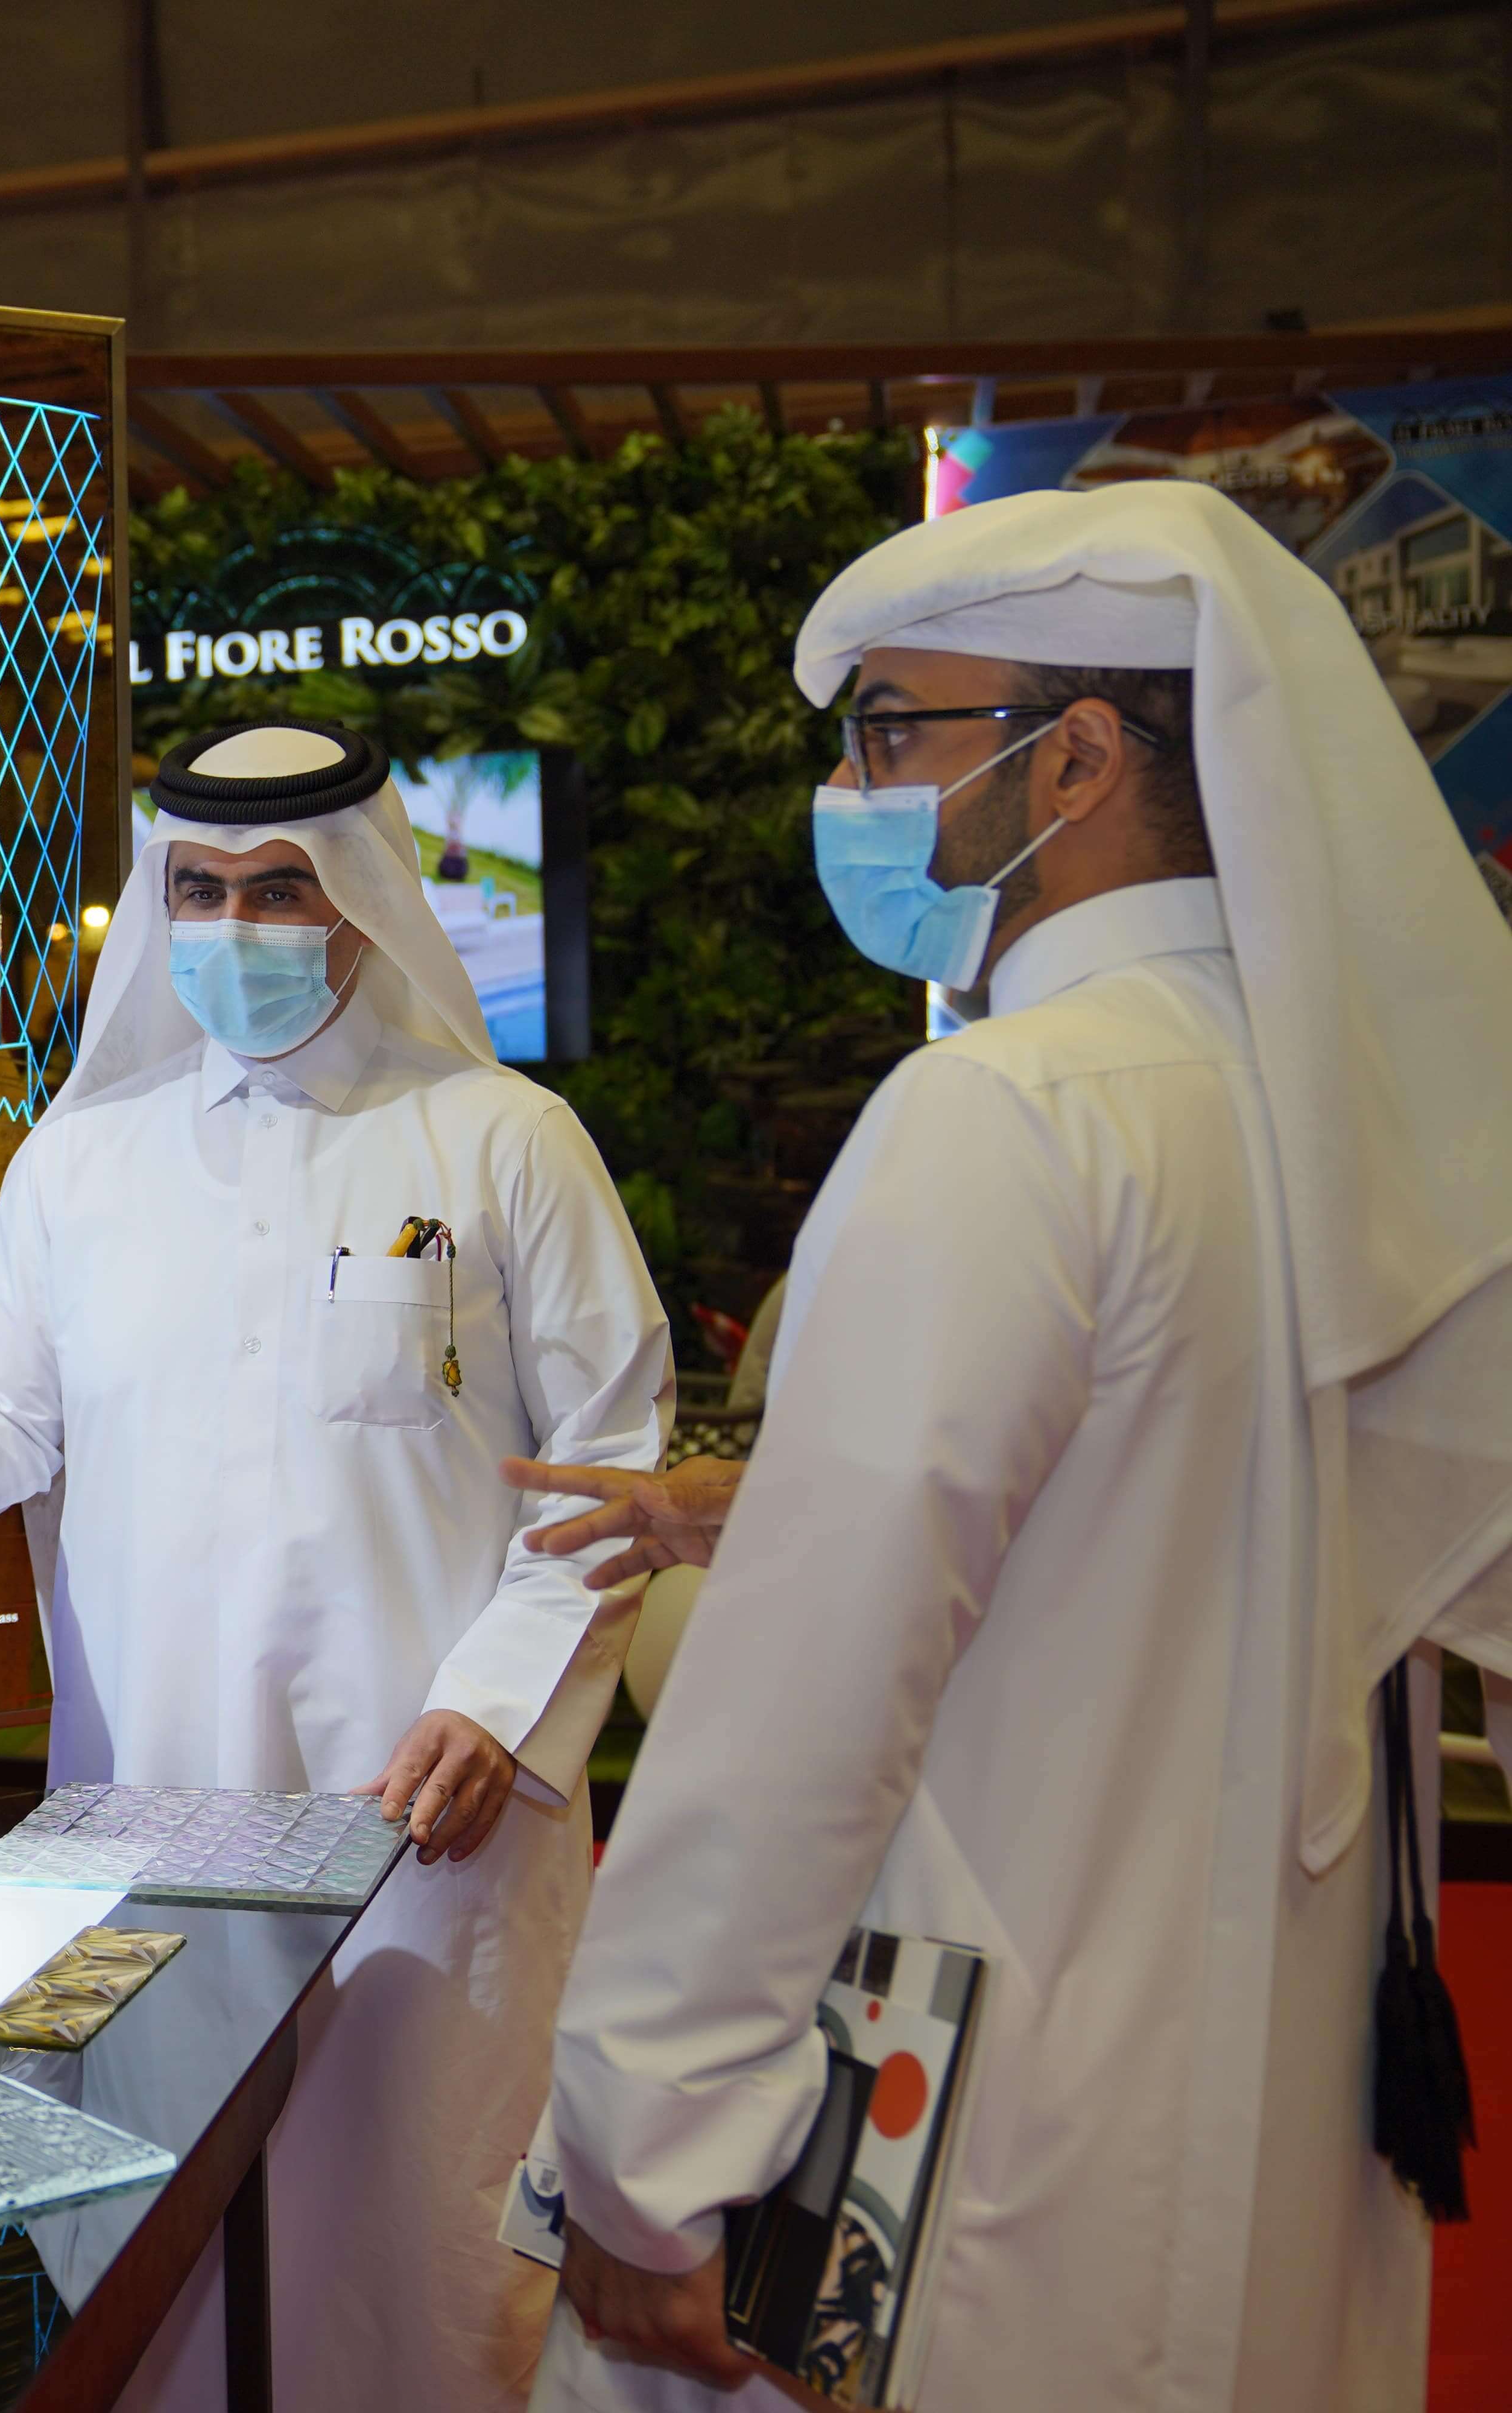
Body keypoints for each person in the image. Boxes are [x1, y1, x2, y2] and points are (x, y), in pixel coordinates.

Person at [522, 479, 1512, 2411]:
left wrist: (646, 2145)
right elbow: (1237, 1503)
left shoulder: (1014, 1108)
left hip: (987, 2119)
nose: (853, 790)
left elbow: (805, 1699)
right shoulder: (1336, 1105)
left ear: (1075, 760)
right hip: (1268, 2090)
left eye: (895, 731)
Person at [0, 720, 673, 2412]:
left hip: (423, 1821)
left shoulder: (503, 1141)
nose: (234, 925)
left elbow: (612, 1471)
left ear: (360, 900)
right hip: (154, 1811)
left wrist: (498, 1709)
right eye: (197, 890)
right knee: (164, 2256)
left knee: (418, 2245)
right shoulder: (85, 1158)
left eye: (280, 889)